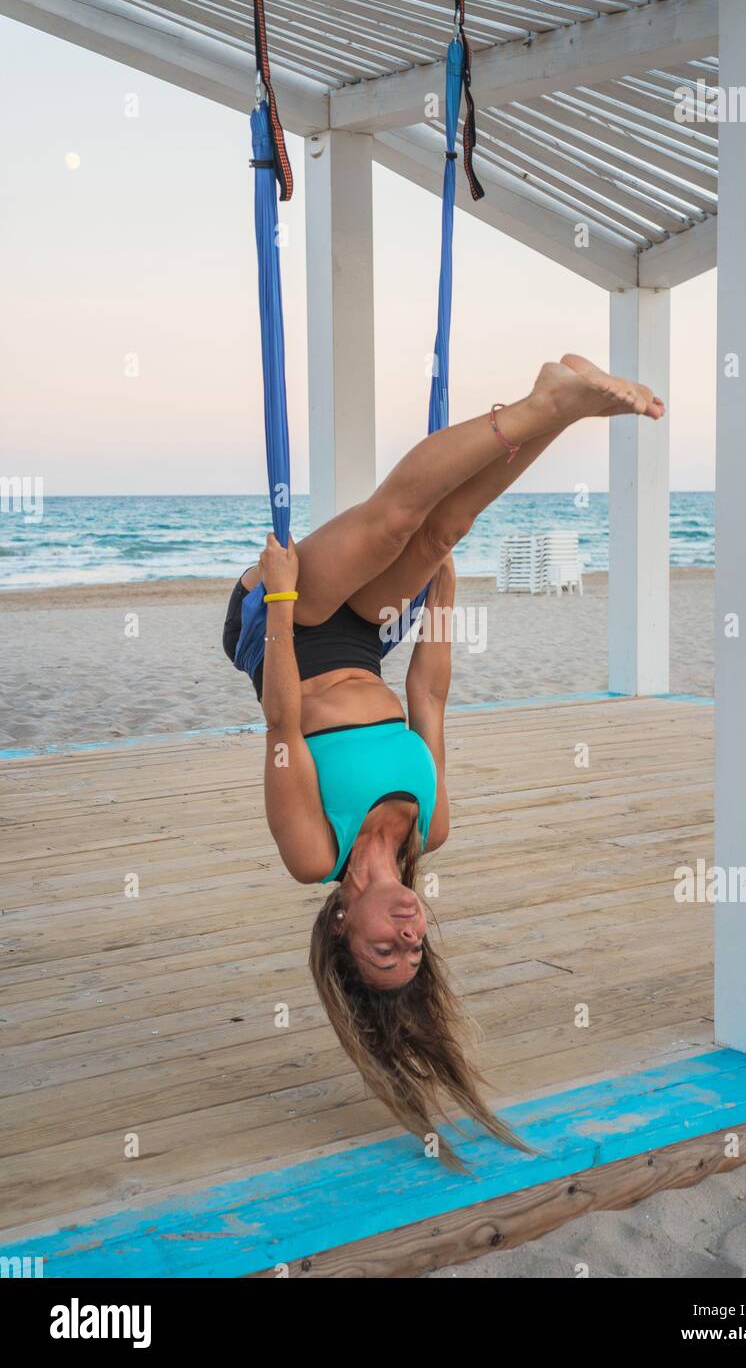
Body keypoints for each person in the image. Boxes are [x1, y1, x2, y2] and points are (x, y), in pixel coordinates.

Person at [223, 353, 665, 1167]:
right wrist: (444, 611)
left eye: (384, 950)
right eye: (415, 950)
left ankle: (550, 402)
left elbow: (282, 718)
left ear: (342, 927)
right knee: (446, 532)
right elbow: (427, 701)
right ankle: (559, 406)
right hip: (368, 639)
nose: (408, 933)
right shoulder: (435, 829)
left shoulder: (313, 854)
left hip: (283, 634)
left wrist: (279, 598)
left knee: (397, 523)